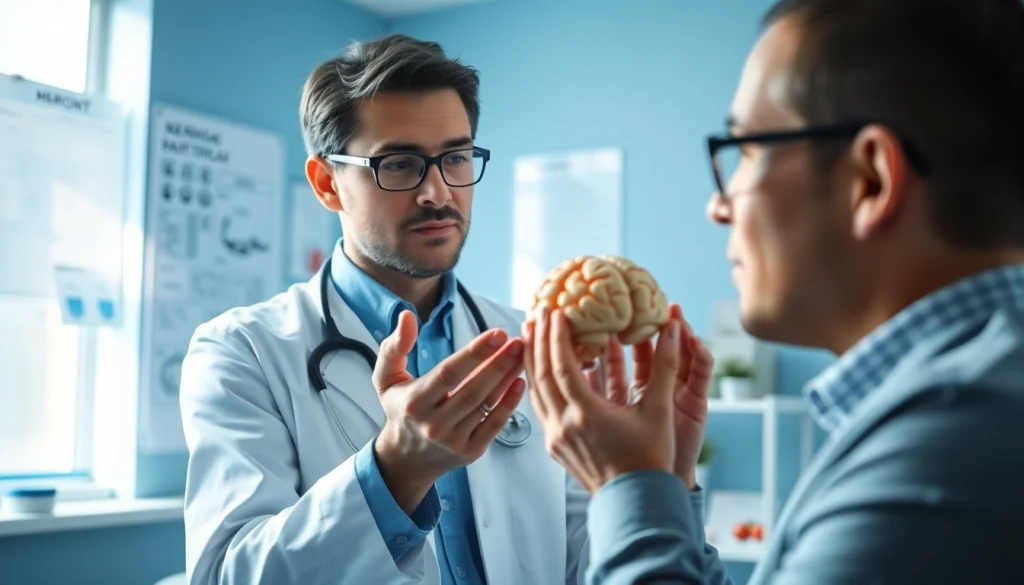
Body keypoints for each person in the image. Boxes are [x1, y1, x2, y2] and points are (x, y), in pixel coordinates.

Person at [523, 0, 1024, 583]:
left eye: (746, 150)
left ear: (870, 180)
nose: (718, 206)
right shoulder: (965, 404)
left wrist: (626, 485)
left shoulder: (950, 446)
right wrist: (666, 488)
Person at [179, 34, 590, 585]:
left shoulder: (530, 340)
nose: (438, 192)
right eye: (399, 164)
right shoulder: (241, 353)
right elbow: (226, 575)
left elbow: (586, 551)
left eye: (456, 158)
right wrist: (396, 469)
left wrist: (656, 479)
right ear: (328, 184)